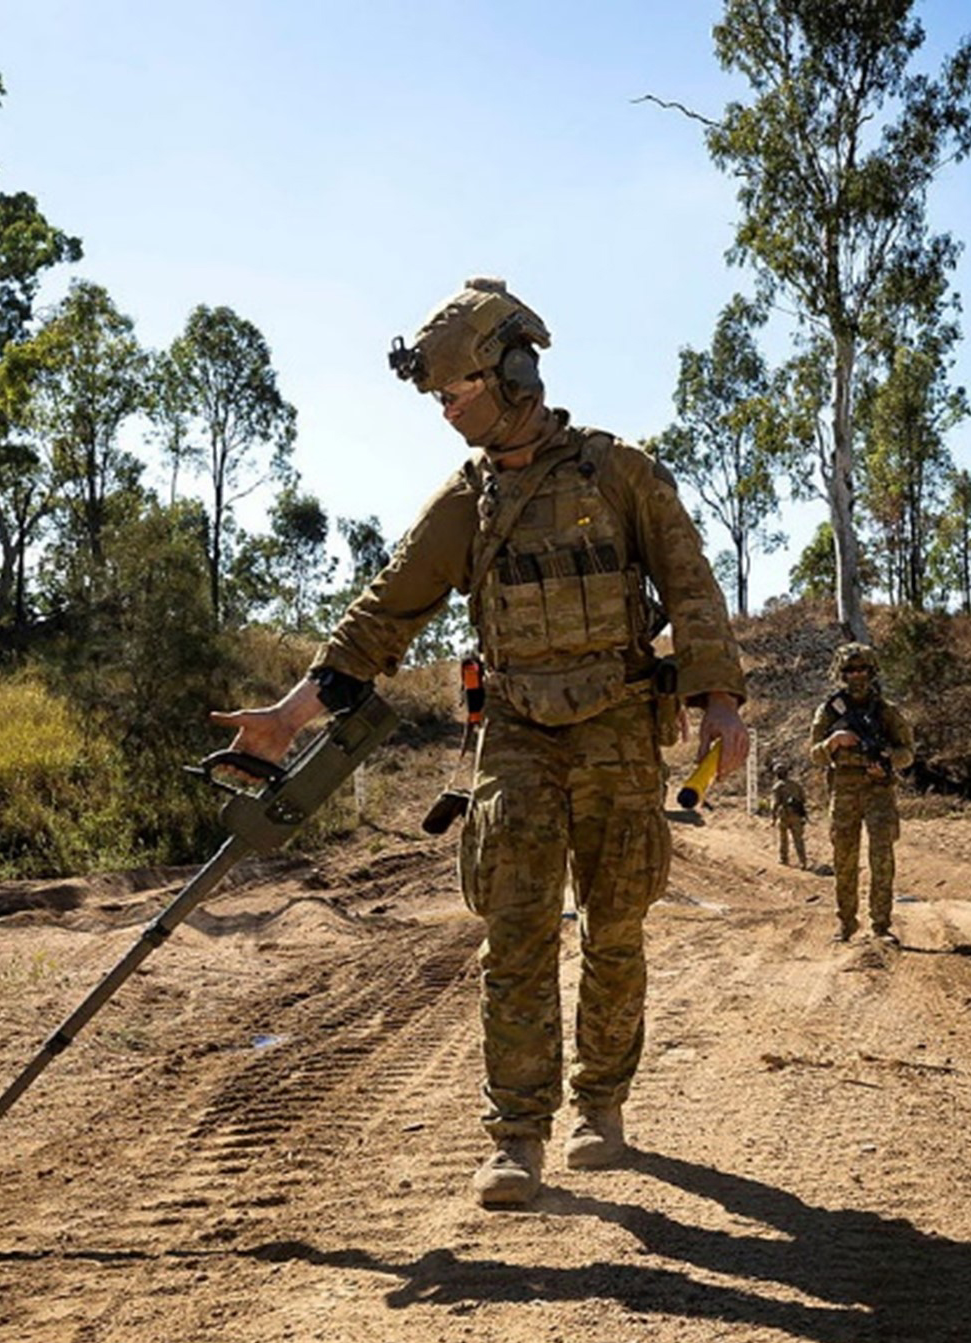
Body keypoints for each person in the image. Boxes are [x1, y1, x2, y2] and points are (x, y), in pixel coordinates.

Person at [212, 277, 748, 1209]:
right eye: (438, 396)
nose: (446, 410)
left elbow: (692, 585)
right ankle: (517, 1135)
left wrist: (722, 704)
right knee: (515, 930)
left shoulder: (621, 472)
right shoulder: (467, 503)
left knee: (616, 928)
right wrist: (288, 718)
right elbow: (382, 615)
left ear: (513, 375)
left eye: (455, 391)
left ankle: (601, 1105)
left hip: (619, 726)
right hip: (517, 733)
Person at [807, 642, 915, 944]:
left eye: (862, 669)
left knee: (882, 858)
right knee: (844, 859)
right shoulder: (830, 710)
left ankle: (881, 926)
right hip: (843, 790)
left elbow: (908, 753)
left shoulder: (886, 711)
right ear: (842, 673)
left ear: (872, 671)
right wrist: (834, 741)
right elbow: (814, 754)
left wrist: (887, 760)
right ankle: (846, 923)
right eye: (851, 670)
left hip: (879, 791)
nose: (857, 675)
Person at [769, 760, 809, 867]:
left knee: (783, 839)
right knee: (798, 839)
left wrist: (773, 818)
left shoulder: (777, 787)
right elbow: (803, 799)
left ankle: (784, 859)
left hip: (784, 815)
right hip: (796, 814)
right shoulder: (796, 785)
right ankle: (803, 861)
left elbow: (775, 803)